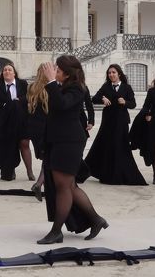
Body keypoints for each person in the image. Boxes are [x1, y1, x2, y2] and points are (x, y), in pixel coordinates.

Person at [38, 56, 108, 245]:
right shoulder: (63, 86)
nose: (55, 72)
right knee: (70, 186)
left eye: (58, 70)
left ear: (67, 74)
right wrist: (51, 82)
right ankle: (95, 219)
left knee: (63, 187)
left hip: (69, 143)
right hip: (60, 141)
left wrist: (52, 81)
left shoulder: (77, 88)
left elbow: (62, 105)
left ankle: (56, 231)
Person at [85, 64, 146, 185]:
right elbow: (94, 98)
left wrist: (125, 102)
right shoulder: (106, 86)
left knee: (120, 146)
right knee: (107, 145)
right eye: (109, 73)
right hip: (108, 121)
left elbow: (133, 104)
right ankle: (106, 173)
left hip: (121, 121)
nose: (111, 75)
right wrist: (102, 98)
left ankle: (119, 173)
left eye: (113, 72)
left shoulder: (126, 87)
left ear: (119, 74)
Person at [0, 63, 32, 181]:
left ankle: (30, 172)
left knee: (24, 144)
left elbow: (29, 97)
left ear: (14, 73)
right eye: (5, 70)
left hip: (22, 120)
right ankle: (10, 170)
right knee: (9, 146)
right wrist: (6, 104)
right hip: (6, 122)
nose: (7, 71)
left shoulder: (22, 84)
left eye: (9, 70)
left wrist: (19, 101)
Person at [26, 65, 49, 201]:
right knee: (49, 157)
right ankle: (39, 184)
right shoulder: (50, 88)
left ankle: (44, 185)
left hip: (33, 126)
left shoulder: (31, 87)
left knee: (46, 157)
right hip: (46, 126)